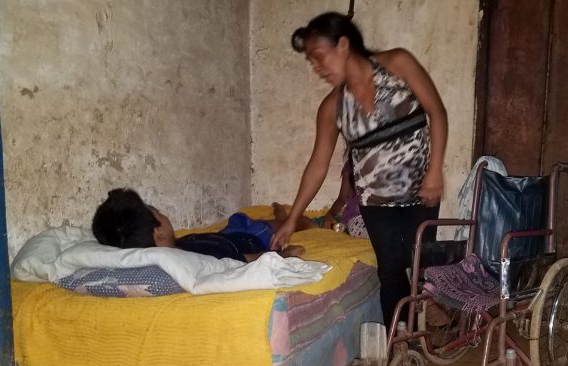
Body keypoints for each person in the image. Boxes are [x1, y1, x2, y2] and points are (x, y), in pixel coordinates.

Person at [270, 12, 448, 326]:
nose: (317, 67)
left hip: (421, 189)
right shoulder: (332, 108)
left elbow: (437, 112)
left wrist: (435, 171)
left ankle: (426, 305)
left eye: (319, 56)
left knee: (420, 262)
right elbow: (317, 165)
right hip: (374, 202)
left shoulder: (398, 64)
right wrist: (293, 218)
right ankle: (398, 341)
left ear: (343, 44)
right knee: (390, 270)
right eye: (311, 61)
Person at [92, 188, 308, 262]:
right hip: (250, 237)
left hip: (225, 234)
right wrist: (282, 254)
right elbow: (248, 259)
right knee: (290, 224)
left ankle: (281, 213)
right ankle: (294, 218)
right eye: (160, 214)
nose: (165, 216)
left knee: (243, 219)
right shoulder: (201, 259)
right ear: (159, 234)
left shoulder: (174, 248)